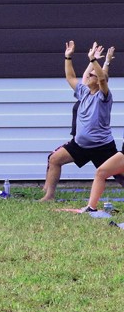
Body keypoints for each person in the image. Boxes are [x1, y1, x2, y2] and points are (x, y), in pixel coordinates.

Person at [40, 41, 120, 202]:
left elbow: (103, 79)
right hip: (80, 145)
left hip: (102, 146)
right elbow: (70, 77)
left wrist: (94, 60)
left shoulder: (103, 97)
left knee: (120, 174)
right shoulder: (84, 92)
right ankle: (49, 196)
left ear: (98, 81)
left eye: (91, 75)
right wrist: (68, 57)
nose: (88, 76)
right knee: (54, 159)